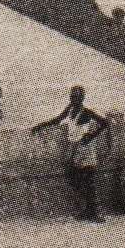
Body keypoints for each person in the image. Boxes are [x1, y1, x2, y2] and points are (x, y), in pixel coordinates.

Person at [31, 85, 110, 222]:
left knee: (88, 180)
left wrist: (90, 136)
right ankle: (88, 210)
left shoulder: (86, 113)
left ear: (82, 98)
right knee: (76, 177)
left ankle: (93, 213)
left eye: (77, 97)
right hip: (75, 148)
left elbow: (104, 123)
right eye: (72, 96)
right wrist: (40, 126)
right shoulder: (70, 110)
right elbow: (57, 120)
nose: (74, 99)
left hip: (86, 149)